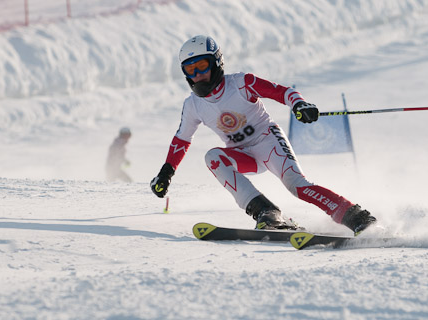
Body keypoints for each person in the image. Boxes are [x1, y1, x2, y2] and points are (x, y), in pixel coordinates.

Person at [150, 35, 376, 234]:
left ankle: (358, 218)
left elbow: (283, 92)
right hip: (243, 155)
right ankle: (266, 212)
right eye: (190, 70)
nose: (197, 74)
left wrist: (299, 105)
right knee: (213, 158)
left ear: (217, 62)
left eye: (201, 66)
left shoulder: (241, 83)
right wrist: (166, 172)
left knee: (297, 186)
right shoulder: (193, 106)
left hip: (268, 142)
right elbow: (181, 140)